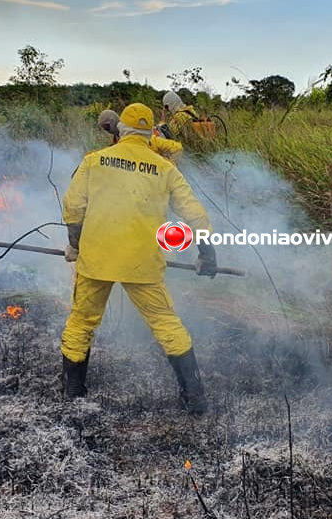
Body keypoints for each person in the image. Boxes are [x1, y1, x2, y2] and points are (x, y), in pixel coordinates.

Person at [61, 103, 218, 415]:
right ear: (150, 135)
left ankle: (72, 394)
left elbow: (73, 207)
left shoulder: (94, 161)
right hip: (142, 262)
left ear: (120, 131)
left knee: (81, 322)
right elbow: (196, 215)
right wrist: (207, 255)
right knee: (165, 323)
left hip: (96, 258)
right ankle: (195, 397)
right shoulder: (164, 168)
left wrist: (75, 246)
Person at [98, 109, 183, 163]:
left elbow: (174, 148)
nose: (106, 131)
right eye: (104, 128)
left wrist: (166, 170)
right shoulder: (116, 141)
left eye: (106, 127)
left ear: (112, 121)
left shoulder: (138, 129)